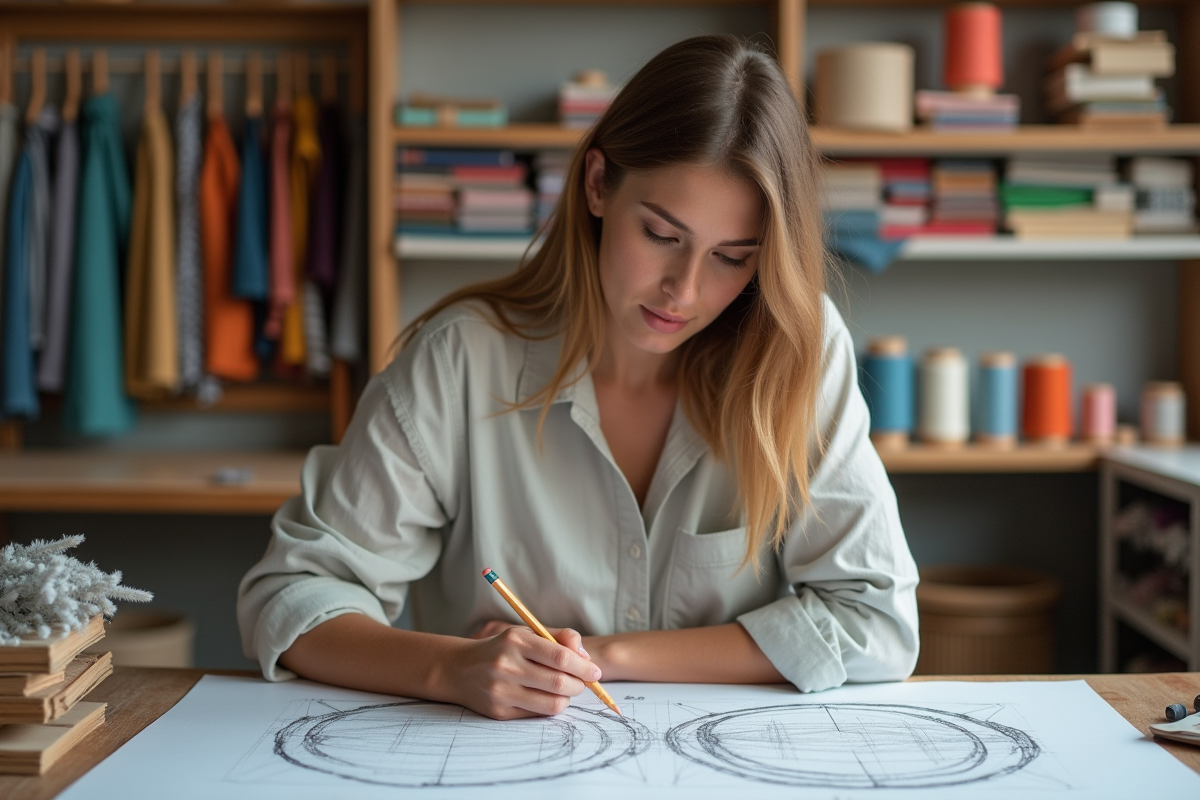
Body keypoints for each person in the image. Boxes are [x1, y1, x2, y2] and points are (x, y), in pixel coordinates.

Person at [237, 34, 919, 721]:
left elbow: (876, 622)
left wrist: (603, 656)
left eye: (732, 257)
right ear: (597, 184)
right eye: (661, 235)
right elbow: (291, 596)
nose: (684, 290)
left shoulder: (798, 353)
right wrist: (450, 668)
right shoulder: (461, 359)